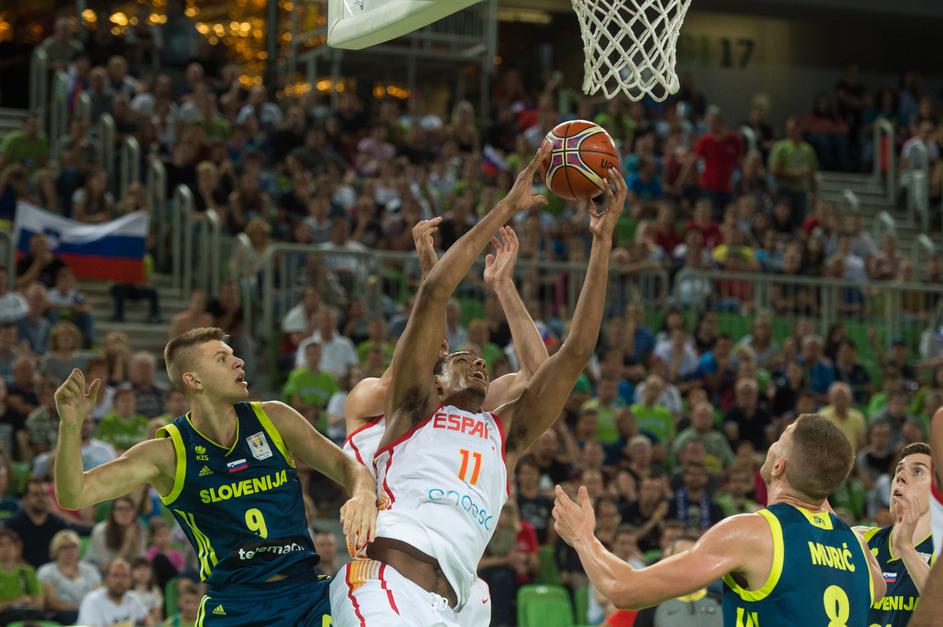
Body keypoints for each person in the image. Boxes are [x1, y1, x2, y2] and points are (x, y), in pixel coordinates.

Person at [329, 147, 625, 626]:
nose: (479, 362)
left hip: (459, 604)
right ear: (435, 381)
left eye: (481, 359)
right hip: (388, 584)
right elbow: (434, 297)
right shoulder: (404, 407)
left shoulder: (500, 432)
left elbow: (570, 355)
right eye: (460, 358)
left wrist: (602, 239)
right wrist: (506, 207)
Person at [53, 327, 378, 625]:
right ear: (194, 380)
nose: (238, 362)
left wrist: (362, 494)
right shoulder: (168, 453)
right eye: (222, 358)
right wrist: (70, 425)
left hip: (305, 597)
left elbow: (348, 467)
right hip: (233, 608)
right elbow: (74, 494)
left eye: (233, 355)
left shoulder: (275, 419)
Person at [553, 414, 885, 626]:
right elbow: (878, 590)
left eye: (779, 441)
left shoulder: (752, 533)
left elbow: (624, 590)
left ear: (779, 466)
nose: (771, 445)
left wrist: (583, 537)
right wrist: (823, 482)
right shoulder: (859, 551)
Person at [342, 218, 549, 477]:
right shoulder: (369, 394)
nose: (439, 346)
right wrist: (430, 276)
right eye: (434, 342)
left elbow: (539, 376)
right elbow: (418, 342)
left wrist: (504, 285)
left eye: (446, 348)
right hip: (376, 500)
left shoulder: (457, 399)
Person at [856, 443, 934, 626]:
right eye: (899, 470)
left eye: (917, 471)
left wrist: (905, 547)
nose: (901, 476)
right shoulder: (862, 540)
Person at [633, 535, 723, 627]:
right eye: (681, 557)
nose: (688, 563)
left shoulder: (721, 598)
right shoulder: (652, 603)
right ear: (668, 559)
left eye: (694, 557)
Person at [38, 529, 101, 625]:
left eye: (73, 546)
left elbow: (98, 595)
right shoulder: (46, 572)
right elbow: (52, 602)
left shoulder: (90, 570)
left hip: (90, 611)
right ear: (55, 550)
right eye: (64, 547)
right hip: (62, 614)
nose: (69, 550)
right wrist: (79, 608)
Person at [6, 478, 68, 568]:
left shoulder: (58, 524)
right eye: (36, 494)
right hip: (24, 571)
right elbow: (12, 555)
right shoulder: (13, 524)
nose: (41, 498)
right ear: (25, 499)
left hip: (53, 571)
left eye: (44, 494)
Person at [77, 557, 149, 627]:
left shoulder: (134, 599)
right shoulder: (92, 601)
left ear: (130, 579)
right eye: (115, 575)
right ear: (107, 578)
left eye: (124, 576)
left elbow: (149, 621)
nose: (119, 580)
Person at [85, 496, 147, 571]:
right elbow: (106, 568)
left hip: (127, 573)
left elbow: (140, 565)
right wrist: (127, 543)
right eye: (120, 509)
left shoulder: (140, 529)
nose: (124, 513)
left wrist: (134, 543)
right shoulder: (100, 531)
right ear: (112, 513)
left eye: (128, 509)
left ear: (134, 513)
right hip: (96, 572)